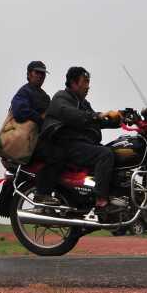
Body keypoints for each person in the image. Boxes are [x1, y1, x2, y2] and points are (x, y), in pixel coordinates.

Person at [43, 66, 126, 218]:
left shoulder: (82, 102)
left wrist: (119, 119)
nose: (88, 86)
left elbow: (95, 121)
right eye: (85, 82)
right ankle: (101, 202)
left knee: (115, 150)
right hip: (67, 145)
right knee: (105, 155)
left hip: (82, 144)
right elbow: (73, 115)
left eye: (88, 82)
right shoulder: (61, 97)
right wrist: (98, 115)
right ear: (74, 83)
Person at [8, 60, 62, 197]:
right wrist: (40, 118)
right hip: (29, 142)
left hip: (41, 138)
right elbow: (20, 112)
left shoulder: (45, 96)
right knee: (56, 156)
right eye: (37, 72)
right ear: (29, 74)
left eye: (43, 74)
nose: (41, 76)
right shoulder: (24, 92)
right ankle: (42, 194)